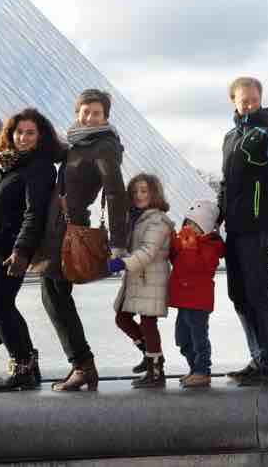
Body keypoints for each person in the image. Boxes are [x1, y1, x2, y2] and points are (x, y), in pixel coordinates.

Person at [33, 88, 130, 392]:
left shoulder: (104, 146)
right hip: (54, 230)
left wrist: (118, 242)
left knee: (55, 298)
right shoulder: (77, 144)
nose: (89, 117)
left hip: (69, 230)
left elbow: (115, 192)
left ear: (105, 117)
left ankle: (82, 365)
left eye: (96, 113)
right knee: (54, 297)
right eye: (85, 112)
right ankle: (82, 365)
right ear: (78, 113)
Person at [0, 108, 60, 392]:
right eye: (18, 132)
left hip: (12, 248)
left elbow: (34, 214)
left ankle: (21, 366)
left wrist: (21, 251)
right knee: (3, 304)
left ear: (40, 135)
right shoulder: (7, 165)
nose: (22, 137)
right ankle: (28, 367)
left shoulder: (39, 167)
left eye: (29, 132)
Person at [218, 77, 268, 385]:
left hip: (257, 224)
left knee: (258, 291)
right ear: (233, 101)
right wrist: (218, 216)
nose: (249, 103)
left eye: (254, 98)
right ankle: (258, 357)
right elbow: (225, 182)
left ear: (260, 98)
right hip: (235, 226)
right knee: (237, 293)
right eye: (243, 99)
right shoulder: (229, 137)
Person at [108, 173, 174, 388]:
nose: (138, 195)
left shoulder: (158, 220)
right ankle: (151, 356)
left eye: (144, 191)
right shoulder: (135, 217)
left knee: (147, 323)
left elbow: (148, 251)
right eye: (135, 191)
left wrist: (121, 264)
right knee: (122, 318)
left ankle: (156, 371)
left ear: (154, 193)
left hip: (151, 277)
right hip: (137, 277)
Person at [169, 199, 226, 389]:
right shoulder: (183, 242)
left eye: (195, 225)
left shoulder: (210, 247)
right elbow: (175, 258)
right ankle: (194, 369)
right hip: (184, 300)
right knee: (182, 338)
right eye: (187, 223)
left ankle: (202, 371)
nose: (189, 228)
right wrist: (175, 244)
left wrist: (190, 248)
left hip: (198, 302)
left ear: (206, 229)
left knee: (198, 337)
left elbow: (199, 268)